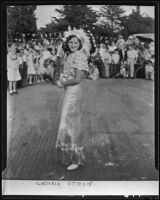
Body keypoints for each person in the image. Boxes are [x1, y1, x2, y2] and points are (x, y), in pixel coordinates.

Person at [55, 28, 92, 171]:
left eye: (76, 42)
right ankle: (70, 155)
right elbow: (68, 72)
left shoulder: (80, 56)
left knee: (70, 122)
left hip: (74, 92)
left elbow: (77, 79)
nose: (73, 44)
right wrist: (63, 79)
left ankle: (76, 159)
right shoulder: (71, 55)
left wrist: (62, 82)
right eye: (71, 42)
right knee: (67, 121)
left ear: (81, 43)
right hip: (69, 91)